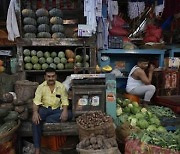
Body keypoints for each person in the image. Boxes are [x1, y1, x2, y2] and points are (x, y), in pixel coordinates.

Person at [32, 67, 72, 154]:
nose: (51, 78)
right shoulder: (40, 87)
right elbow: (36, 101)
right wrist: (35, 112)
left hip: (57, 110)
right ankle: (37, 148)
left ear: (56, 76)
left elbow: (65, 100)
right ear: (45, 77)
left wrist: (64, 111)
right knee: (35, 121)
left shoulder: (61, 87)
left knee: (69, 114)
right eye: (49, 76)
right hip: (44, 109)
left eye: (53, 76)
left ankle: (48, 119)